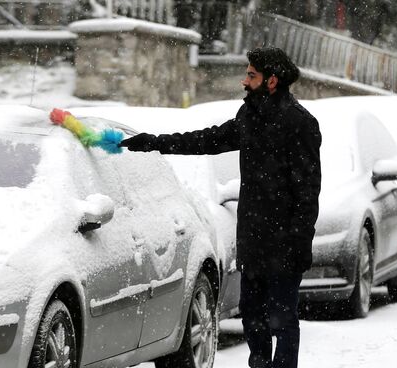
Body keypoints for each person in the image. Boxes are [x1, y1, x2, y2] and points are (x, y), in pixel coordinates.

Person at [121, 47, 321, 368]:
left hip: (285, 245)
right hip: (253, 238)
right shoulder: (250, 116)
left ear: (271, 80)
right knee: (252, 318)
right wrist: (155, 142)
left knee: (282, 320)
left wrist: (298, 245)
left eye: (251, 75)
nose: (244, 81)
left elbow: (308, 194)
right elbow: (206, 140)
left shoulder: (300, 124)